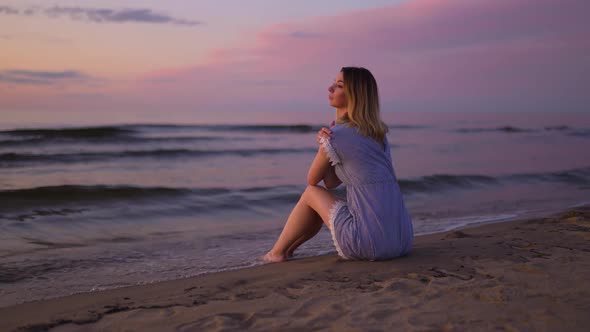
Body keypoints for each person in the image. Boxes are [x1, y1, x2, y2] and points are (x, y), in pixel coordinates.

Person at [262, 66, 413, 262]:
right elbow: (332, 182)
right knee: (320, 200)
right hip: (401, 239)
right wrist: (329, 148)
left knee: (311, 193)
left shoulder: (336, 136)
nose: (330, 88)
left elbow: (313, 180)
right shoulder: (378, 135)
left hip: (368, 243)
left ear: (355, 94)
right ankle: (288, 251)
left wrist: (323, 146)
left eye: (339, 85)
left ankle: (276, 253)